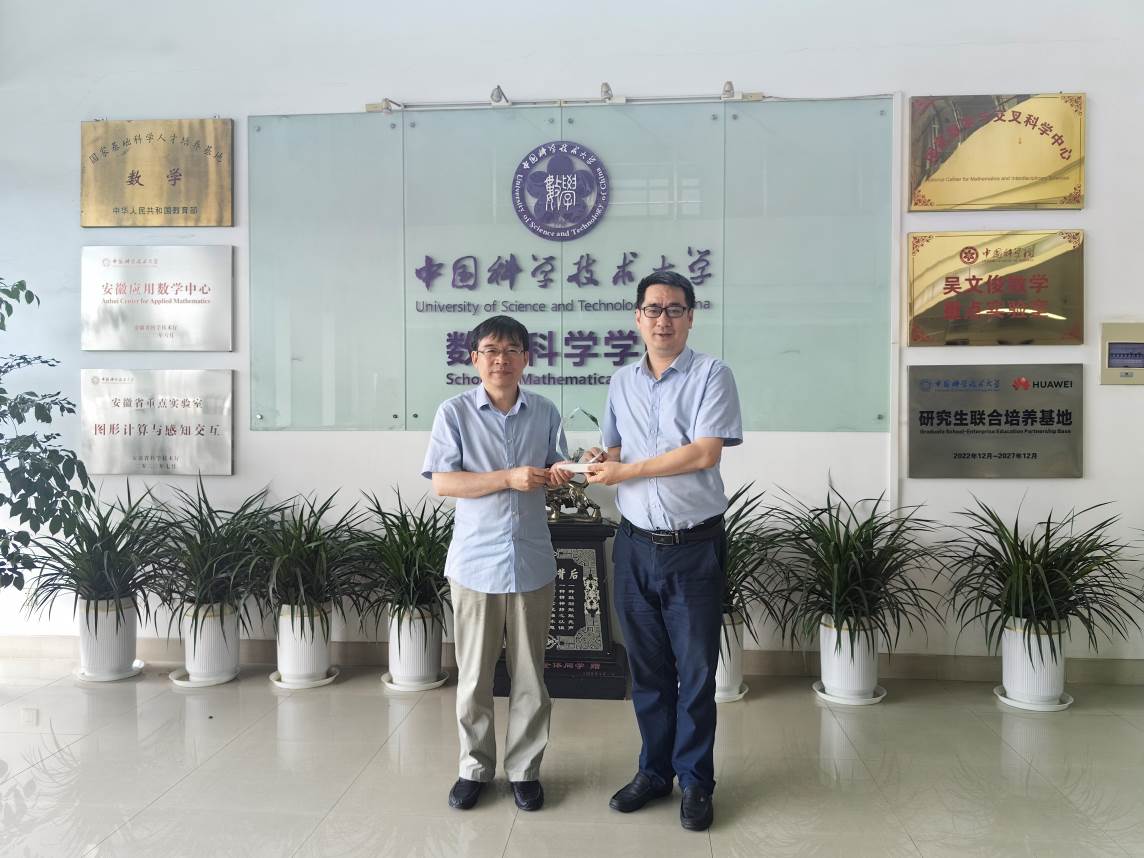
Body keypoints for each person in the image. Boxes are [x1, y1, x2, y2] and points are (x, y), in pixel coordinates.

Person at [585, 271, 743, 832]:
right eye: (653, 309)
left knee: (695, 673)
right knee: (648, 671)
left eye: (675, 309)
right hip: (633, 546)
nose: (663, 320)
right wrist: (596, 461)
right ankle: (654, 772)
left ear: (691, 317)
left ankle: (695, 781)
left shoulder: (712, 375)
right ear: (638, 318)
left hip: (692, 547)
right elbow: (615, 449)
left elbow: (704, 453)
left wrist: (626, 471)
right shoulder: (620, 381)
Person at [421, 315, 573, 813]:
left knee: (531, 677)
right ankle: (474, 768)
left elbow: (556, 470)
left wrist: (565, 472)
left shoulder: (545, 411)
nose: (501, 360)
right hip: (475, 564)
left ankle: (525, 770)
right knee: (474, 678)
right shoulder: (454, 413)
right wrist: (507, 477)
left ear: (527, 358)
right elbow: (444, 483)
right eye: (490, 350)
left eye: (511, 350)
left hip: (531, 560)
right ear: (474, 359)